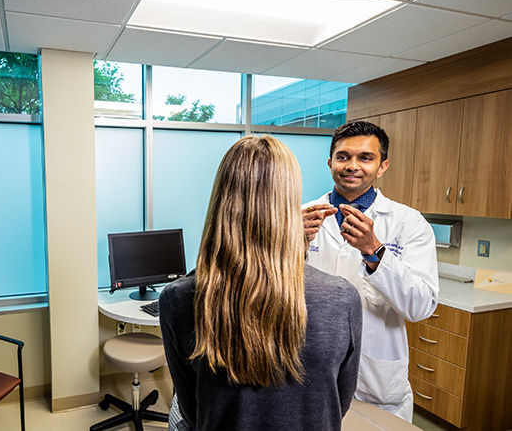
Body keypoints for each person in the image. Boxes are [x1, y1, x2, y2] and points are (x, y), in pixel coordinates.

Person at [159, 135, 362, 431]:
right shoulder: (342, 298)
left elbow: (191, 406)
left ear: (221, 199)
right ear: (290, 203)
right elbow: (339, 402)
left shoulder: (179, 298)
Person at [302, 121, 439, 421]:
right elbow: (276, 289)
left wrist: (374, 251)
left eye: (365, 157)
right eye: (343, 156)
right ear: (330, 163)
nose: (352, 165)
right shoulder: (300, 215)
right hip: (311, 370)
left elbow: (420, 306)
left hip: (375, 377)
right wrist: (294, 245)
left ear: (382, 166)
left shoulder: (409, 223)